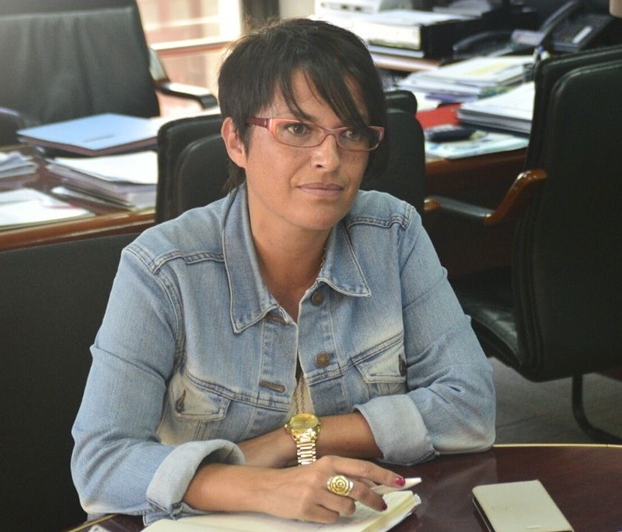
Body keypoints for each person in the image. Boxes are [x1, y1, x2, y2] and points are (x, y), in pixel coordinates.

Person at [71, 17, 495, 526]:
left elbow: (470, 406)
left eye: (351, 132)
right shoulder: (162, 269)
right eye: (297, 129)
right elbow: (101, 463)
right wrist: (260, 486)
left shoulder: (393, 233)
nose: (329, 159)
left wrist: (296, 439)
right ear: (236, 140)